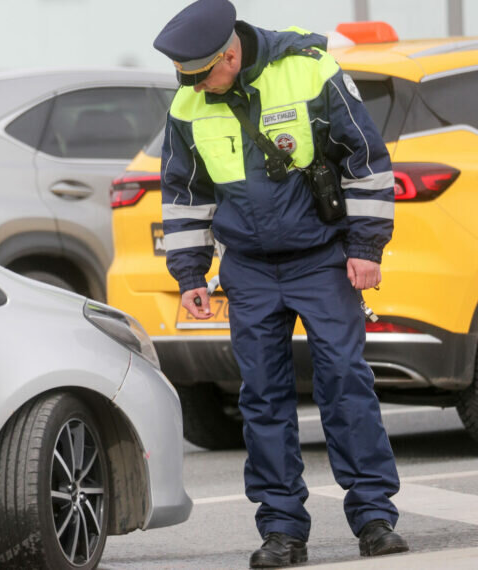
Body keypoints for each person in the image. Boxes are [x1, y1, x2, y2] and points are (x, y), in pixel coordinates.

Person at [152, 0, 406, 567]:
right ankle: (282, 530)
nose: (197, 87)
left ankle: (373, 517)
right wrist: (191, 272)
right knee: (262, 398)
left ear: (231, 53)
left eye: (203, 74)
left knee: (345, 381)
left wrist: (365, 248)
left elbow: (366, 159)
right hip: (248, 268)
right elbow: (184, 193)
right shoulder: (188, 103)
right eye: (187, 78)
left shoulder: (311, 68)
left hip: (321, 257)